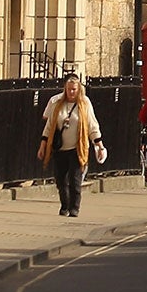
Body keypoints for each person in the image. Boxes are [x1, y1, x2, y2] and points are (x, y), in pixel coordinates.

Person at [37, 73, 103, 218]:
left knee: (75, 180)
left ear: (79, 90)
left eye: (74, 89)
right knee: (60, 181)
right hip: (59, 149)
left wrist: (99, 145)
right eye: (69, 89)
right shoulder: (57, 104)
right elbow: (49, 126)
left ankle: (74, 208)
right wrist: (42, 146)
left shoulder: (84, 104)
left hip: (77, 149)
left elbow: (92, 125)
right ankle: (64, 205)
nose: (71, 92)